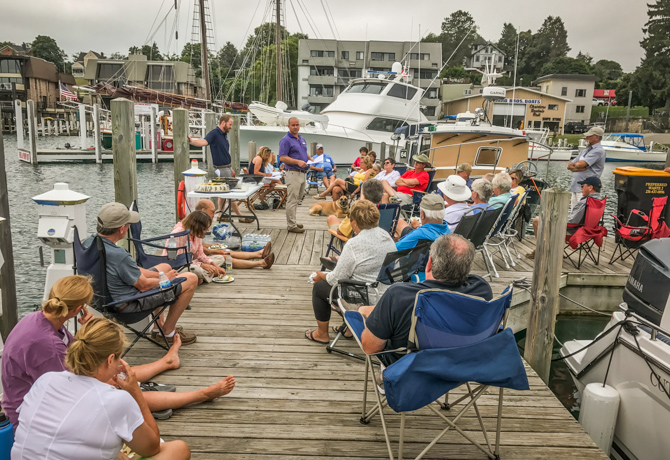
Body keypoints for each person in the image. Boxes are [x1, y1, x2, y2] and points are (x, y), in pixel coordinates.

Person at [2, 276, 236, 434]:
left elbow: (74, 362)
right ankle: (201, 394)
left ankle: (167, 361)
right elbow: (69, 388)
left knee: (115, 373)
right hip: (32, 415)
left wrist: (86, 330)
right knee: (119, 386)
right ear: (77, 309)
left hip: (50, 394)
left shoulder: (44, 319)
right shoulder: (46, 343)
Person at [12, 317, 192, 460]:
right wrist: (135, 392)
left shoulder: (46, 380)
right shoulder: (115, 400)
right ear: (110, 359)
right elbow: (152, 448)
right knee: (178, 449)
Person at [359, 234, 493, 364]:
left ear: (429, 263)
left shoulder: (399, 295)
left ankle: (363, 312)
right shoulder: (481, 290)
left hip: (410, 369)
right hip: (458, 364)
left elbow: (371, 348)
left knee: (364, 315)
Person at [84, 202, 198, 345]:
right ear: (121, 229)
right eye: (128, 224)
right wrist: (166, 280)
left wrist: (160, 274)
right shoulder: (119, 255)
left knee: (165, 267)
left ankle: (158, 329)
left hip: (108, 301)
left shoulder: (90, 243)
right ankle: (168, 332)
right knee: (191, 278)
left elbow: (133, 271)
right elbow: (144, 286)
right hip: (129, 306)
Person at [305, 200, 396, 344]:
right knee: (351, 280)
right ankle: (349, 329)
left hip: (364, 298)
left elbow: (336, 279)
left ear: (354, 223)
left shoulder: (354, 244)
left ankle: (321, 334)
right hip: (385, 295)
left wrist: (320, 275)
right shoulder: (386, 236)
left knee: (320, 287)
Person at [188, 114, 252, 223]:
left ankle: (220, 214)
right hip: (221, 168)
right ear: (223, 123)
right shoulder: (214, 134)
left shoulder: (223, 134)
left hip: (226, 167)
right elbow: (204, 142)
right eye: (230, 124)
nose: (231, 127)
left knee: (223, 193)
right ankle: (240, 216)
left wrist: (230, 167)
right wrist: (192, 142)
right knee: (230, 193)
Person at [527, 176, 603, 259]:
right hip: (589, 230)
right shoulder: (600, 201)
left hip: (573, 231)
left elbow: (572, 221)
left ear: (590, 187)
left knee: (536, 220)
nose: (581, 189)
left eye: (582, 186)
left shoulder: (586, 201)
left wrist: (557, 218)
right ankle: (552, 250)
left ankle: (541, 250)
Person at [195, 199, 274, 269]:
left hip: (199, 254)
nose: (215, 213)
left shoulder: (198, 221)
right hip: (196, 259)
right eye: (212, 211)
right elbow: (197, 250)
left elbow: (199, 244)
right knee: (225, 256)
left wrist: (211, 246)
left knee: (226, 251)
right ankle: (261, 263)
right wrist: (215, 251)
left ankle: (259, 254)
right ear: (203, 210)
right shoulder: (196, 224)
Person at [279, 117, 312, 233]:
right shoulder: (286, 140)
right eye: (293, 125)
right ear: (288, 126)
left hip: (303, 173)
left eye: (297, 124)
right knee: (292, 199)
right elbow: (282, 157)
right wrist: (297, 161)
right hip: (293, 172)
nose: (295, 127)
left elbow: (302, 151)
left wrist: (309, 158)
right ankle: (291, 225)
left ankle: (293, 220)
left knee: (298, 199)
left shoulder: (301, 138)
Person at [567, 126, 606, 210]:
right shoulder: (586, 150)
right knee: (574, 214)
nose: (586, 138)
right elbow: (569, 165)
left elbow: (580, 164)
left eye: (589, 136)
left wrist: (579, 166)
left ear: (597, 137)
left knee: (582, 215)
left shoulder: (598, 150)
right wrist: (580, 168)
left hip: (587, 189)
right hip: (576, 187)